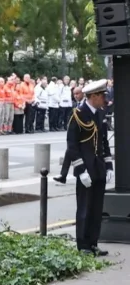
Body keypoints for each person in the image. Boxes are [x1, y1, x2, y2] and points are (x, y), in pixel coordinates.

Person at [66, 79, 112, 256]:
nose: (104, 100)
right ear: (93, 96)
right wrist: (80, 170)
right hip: (86, 168)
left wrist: (109, 166)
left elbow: (103, 143)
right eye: (102, 96)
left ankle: (93, 242)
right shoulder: (78, 115)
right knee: (84, 208)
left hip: (99, 167)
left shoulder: (100, 114)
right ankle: (83, 245)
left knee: (96, 208)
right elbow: (72, 146)